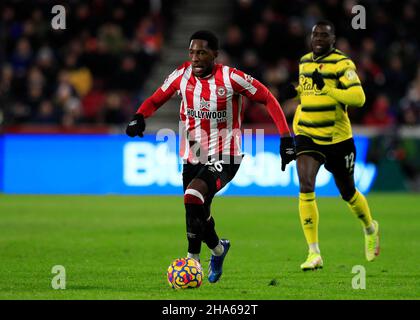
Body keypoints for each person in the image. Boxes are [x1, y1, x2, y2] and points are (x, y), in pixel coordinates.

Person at [126, 30, 296, 283]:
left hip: (227, 154)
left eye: (202, 52)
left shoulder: (231, 78)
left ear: (215, 54)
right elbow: (156, 99)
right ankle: (218, 249)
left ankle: (191, 261)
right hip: (192, 154)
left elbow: (268, 98)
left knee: (192, 195)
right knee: (196, 210)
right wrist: (139, 116)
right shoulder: (180, 75)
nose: (195, 58)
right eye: (192, 52)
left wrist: (286, 138)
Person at [279, 21, 380, 271]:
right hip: (307, 134)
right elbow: (307, 91)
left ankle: (369, 227)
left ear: (333, 39)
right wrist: (292, 91)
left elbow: (359, 98)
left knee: (348, 192)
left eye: (324, 35)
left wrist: (328, 88)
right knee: (305, 185)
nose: (319, 38)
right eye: (315, 35)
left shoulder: (343, 64)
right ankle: (314, 253)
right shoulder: (304, 62)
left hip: (338, 139)